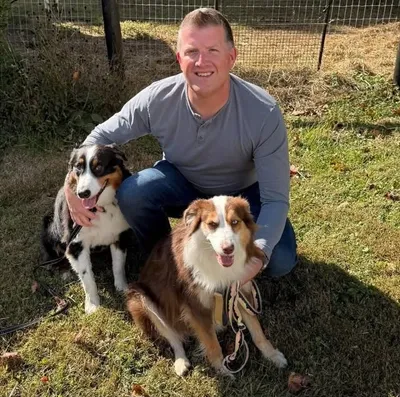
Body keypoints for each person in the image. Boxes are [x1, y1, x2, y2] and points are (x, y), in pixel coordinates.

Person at [64, 7, 297, 282]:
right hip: (184, 183)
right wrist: (70, 186)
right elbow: (98, 137)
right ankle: (168, 260)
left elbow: (275, 199)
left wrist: (256, 258)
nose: (201, 62)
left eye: (212, 50)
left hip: (242, 194)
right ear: (179, 58)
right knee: (134, 193)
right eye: (192, 51)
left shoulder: (263, 111)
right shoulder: (157, 98)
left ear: (231, 57)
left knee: (279, 259)